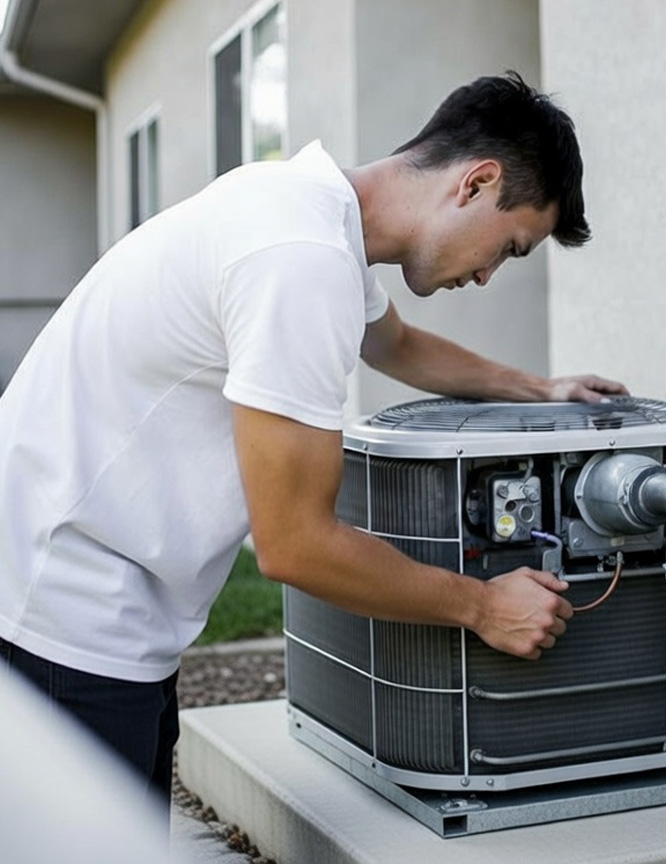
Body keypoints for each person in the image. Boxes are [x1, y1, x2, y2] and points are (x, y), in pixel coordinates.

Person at [0, 71, 626, 807]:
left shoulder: (304, 207)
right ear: (477, 183)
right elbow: (294, 544)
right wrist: (484, 607)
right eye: (511, 247)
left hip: (70, 595)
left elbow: (393, 345)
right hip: (62, 620)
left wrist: (542, 388)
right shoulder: (299, 258)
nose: (489, 275)